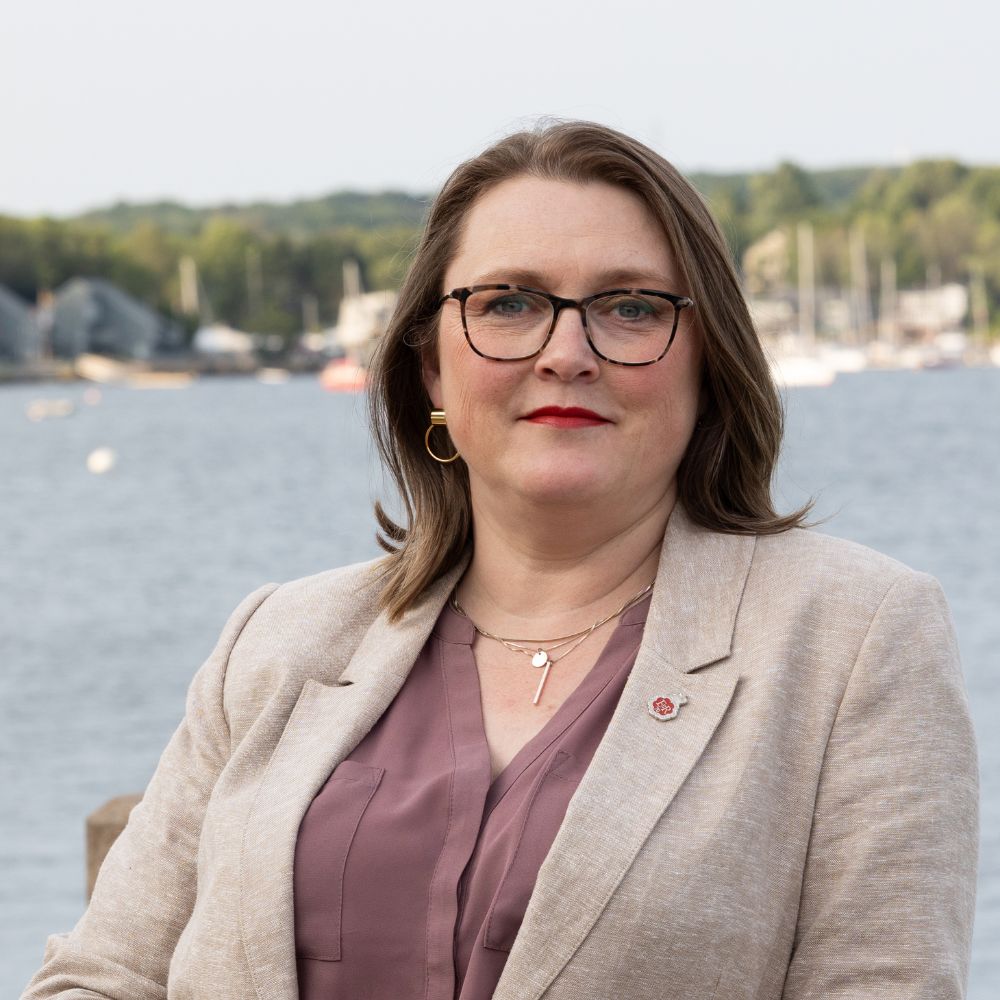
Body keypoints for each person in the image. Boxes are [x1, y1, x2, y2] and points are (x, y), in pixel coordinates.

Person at [23, 122, 978, 1000]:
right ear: (431, 365)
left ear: (707, 361)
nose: (568, 352)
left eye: (631, 307)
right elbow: (102, 977)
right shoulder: (276, 643)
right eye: (510, 303)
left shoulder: (853, 640)